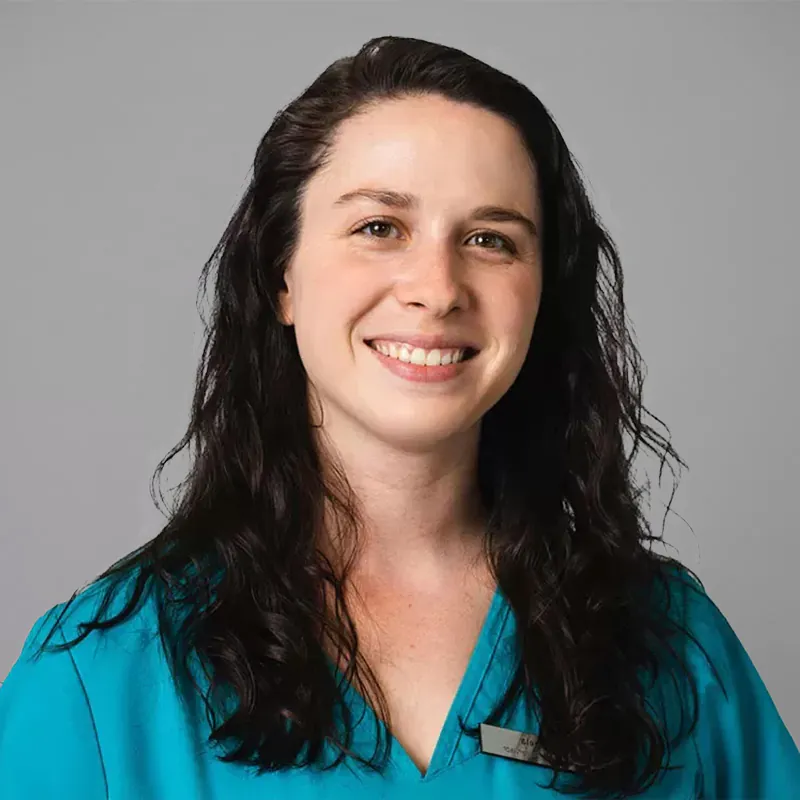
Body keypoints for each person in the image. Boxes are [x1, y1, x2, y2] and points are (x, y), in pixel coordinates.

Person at [1, 34, 798, 799]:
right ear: (281, 275)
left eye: (490, 239)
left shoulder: (669, 647)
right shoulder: (100, 675)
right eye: (379, 227)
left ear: (542, 292)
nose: (437, 286)